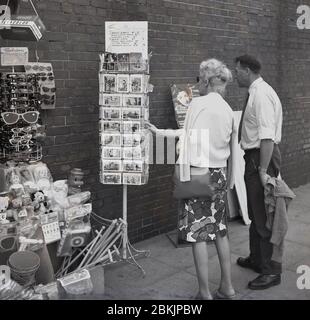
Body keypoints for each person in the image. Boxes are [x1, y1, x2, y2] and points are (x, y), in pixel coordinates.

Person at [146, 58, 236, 300]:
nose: (198, 84)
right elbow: (231, 148)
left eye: (199, 79)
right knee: (219, 231)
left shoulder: (198, 104)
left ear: (205, 80)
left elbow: (187, 139)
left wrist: (176, 165)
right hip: (219, 174)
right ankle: (227, 287)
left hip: (198, 174)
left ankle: (204, 292)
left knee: (198, 234)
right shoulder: (227, 109)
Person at [234, 54, 283, 290]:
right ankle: (257, 259)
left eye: (237, 71)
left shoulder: (261, 95)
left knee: (265, 216)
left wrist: (263, 171)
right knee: (256, 213)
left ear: (247, 70)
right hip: (254, 159)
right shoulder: (256, 91)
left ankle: (271, 271)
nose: (235, 75)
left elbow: (267, 138)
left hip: (260, 159)